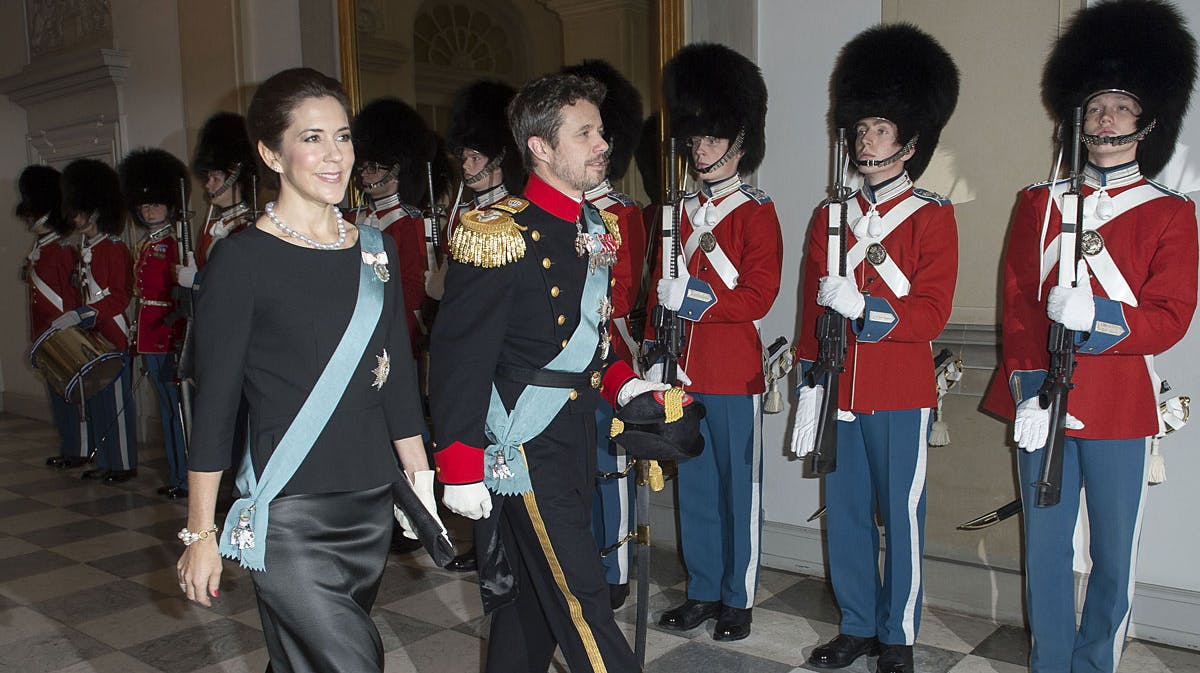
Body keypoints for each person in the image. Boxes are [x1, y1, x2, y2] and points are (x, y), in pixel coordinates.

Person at [176, 67, 443, 673]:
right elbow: (214, 408)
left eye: (343, 137)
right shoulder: (241, 260)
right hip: (291, 513)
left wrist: (419, 478)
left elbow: (396, 375)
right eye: (313, 138)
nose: (335, 156)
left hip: (370, 502)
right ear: (271, 153)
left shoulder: (372, 248)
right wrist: (200, 532)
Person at [980, 2, 1198, 671]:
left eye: (1122, 107)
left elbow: (1171, 313)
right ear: (1077, 115)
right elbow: (1016, 304)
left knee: (1112, 551)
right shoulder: (1037, 204)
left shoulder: (1169, 213)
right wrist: (1029, 390)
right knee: (1043, 550)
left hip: (1119, 406)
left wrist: (1099, 319)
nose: (1106, 119)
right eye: (1096, 106)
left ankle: (1095, 660)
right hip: (1044, 400)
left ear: (1147, 121)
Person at [429, 72, 664, 673]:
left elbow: (593, 339)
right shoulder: (498, 233)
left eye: (601, 131)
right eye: (583, 133)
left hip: (576, 432)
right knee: (583, 601)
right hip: (524, 445)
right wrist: (459, 463)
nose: (601, 143)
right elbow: (459, 359)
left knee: (528, 605)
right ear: (541, 146)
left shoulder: (593, 227)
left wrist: (628, 386)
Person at [793, 25, 959, 673]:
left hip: (900, 387)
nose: (866, 139)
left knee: (901, 516)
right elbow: (812, 306)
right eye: (860, 128)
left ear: (910, 140)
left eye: (880, 128)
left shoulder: (932, 215)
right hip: (839, 383)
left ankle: (898, 632)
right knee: (848, 515)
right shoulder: (829, 215)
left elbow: (934, 309)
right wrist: (811, 381)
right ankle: (857, 622)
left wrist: (866, 306)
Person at [647, 42, 782, 643]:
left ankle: (738, 595)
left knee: (737, 489)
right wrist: (655, 348)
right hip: (683, 371)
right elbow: (657, 289)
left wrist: (696, 300)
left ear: (738, 141)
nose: (700, 148)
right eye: (695, 138)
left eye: (712, 137)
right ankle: (701, 589)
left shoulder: (755, 211)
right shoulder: (676, 211)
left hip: (733, 371)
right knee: (695, 489)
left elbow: (758, 296)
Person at [560, 58, 646, 610]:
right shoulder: (557, 211)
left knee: (608, 468)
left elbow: (625, 291)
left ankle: (613, 567)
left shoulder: (623, 213)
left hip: (605, 351)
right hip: (559, 363)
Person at [438, 78, 528, 574]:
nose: (467, 165)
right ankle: (486, 542)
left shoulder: (513, 215)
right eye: (464, 155)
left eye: (477, 155)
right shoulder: (464, 215)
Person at [56, 159, 138, 483]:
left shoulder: (113, 248)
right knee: (98, 402)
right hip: (93, 335)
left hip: (113, 333)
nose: (75, 218)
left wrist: (84, 314)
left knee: (115, 403)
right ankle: (105, 460)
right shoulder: (85, 248)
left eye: (80, 211)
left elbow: (120, 295)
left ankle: (123, 463)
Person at [119, 148, 190, 499]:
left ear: (170, 205)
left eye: (156, 204)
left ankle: (186, 478)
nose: (149, 210)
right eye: (144, 205)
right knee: (166, 410)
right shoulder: (148, 244)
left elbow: (176, 295)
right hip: (149, 333)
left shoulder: (174, 244)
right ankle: (177, 475)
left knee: (177, 410)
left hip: (167, 333)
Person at [350, 97, 436, 360]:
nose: (365, 174)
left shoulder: (409, 223)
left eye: (374, 168)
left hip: (392, 331)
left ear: (396, 169)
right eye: (363, 166)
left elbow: (413, 290)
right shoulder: (353, 218)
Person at [19, 165, 86, 469]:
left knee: (70, 395)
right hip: (45, 333)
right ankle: (69, 445)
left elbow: (69, 296)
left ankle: (78, 448)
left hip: (61, 333)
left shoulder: (60, 251)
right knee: (57, 395)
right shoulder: (41, 248)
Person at [189, 112, 257, 269]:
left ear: (235, 180)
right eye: (208, 178)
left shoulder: (245, 226)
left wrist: (198, 279)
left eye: (216, 179)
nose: (207, 185)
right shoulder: (212, 225)